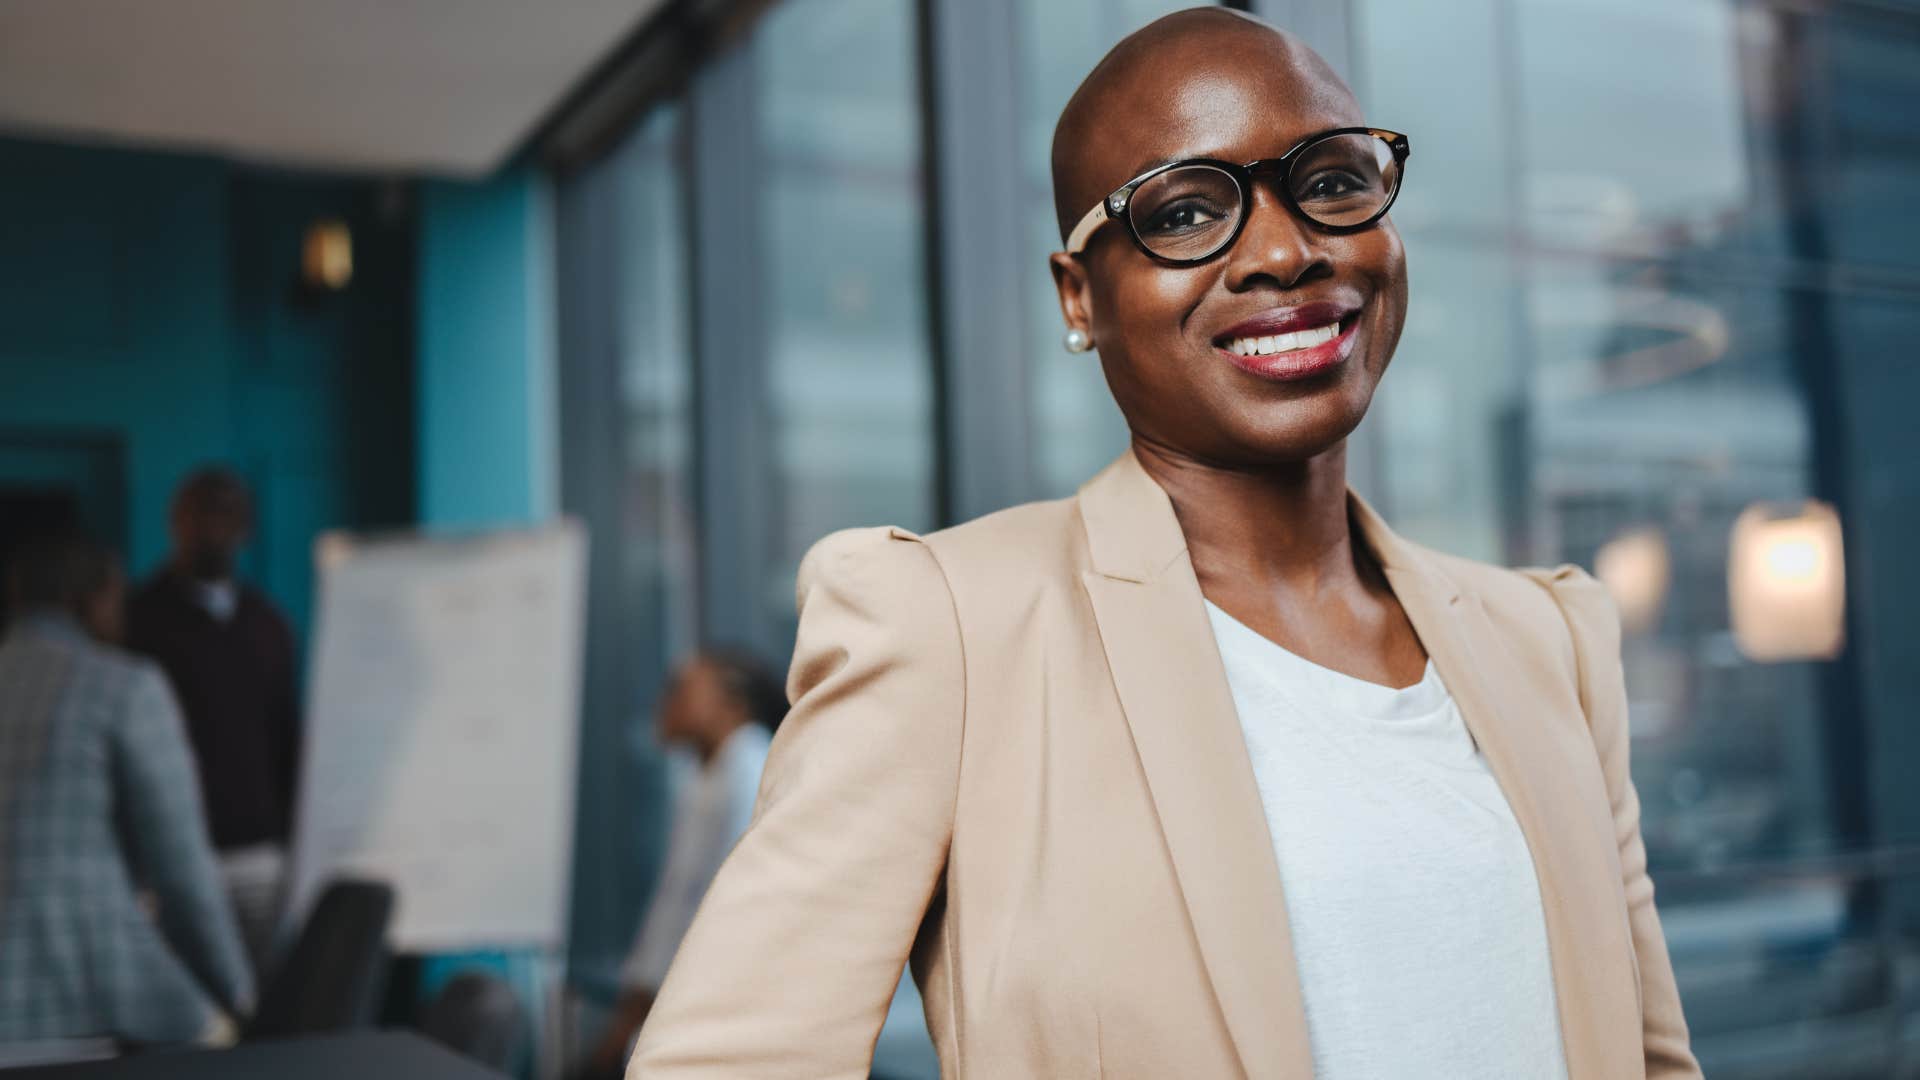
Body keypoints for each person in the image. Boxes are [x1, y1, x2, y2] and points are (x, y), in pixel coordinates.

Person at [630, 9, 1698, 1079]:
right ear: (1079, 296)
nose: (1285, 250)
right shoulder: (950, 631)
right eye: (1186, 212)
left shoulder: (1548, 640)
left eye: (1330, 182)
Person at [0, 530, 254, 1052]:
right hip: (83, 1004)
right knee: (225, 1042)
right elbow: (182, 873)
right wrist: (239, 994)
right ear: (93, 600)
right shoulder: (123, 687)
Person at [126, 467, 301, 972]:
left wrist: (291, 839)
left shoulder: (268, 624)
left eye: (227, 516)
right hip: (169, 857)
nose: (213, 528)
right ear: (176, 521)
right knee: (184, 1017)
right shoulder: (138, 618)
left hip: (259, 856)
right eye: (201, 514)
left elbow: (286, 737)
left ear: (245, 528)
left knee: (261, 1005)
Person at [579, 648, 782, 1079]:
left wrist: (645, 1012)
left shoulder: (750, 768)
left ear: (732, 702)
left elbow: (721, 907)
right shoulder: (704, 776)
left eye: (681, 689)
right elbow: (672, 904)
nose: (664, 703)